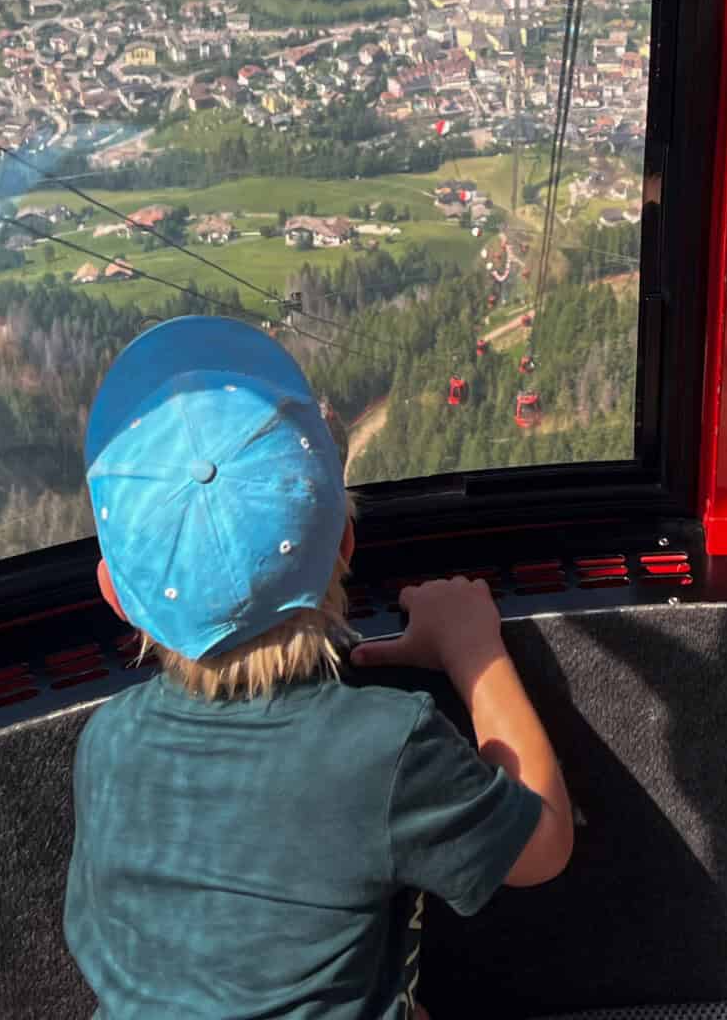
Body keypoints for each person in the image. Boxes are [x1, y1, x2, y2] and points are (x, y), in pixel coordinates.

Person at [65, 315, 574, 1019]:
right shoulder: (384, 748)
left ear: (116, 594)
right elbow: (543, 845)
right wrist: (473, 649)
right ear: (345, 543)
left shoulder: (107, 743)